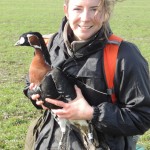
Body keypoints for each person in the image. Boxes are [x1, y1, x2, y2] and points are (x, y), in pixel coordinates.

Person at [24, 0, 150, 149]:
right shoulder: (48, 45)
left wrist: (92, 114)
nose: (85, 18)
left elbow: (143, 117)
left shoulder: (125, 56)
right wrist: (34, 94)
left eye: (94, 9)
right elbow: (30, 82)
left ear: (105, 12)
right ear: (66, 10)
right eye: (78, 9)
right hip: (49, 141)